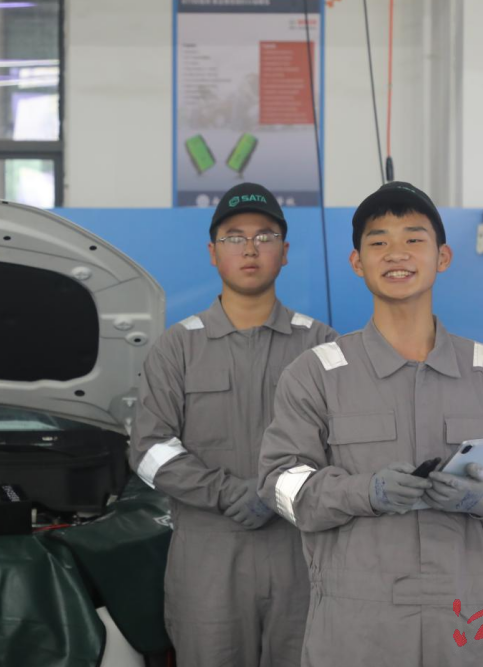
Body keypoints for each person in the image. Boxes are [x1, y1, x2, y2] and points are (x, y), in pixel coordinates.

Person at [258, 181, 483, 667]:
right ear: (357, 262)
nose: (397, 253)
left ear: (443, 257)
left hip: (466, 629)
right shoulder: (317, 373)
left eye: (414, 238)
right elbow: (281, 484)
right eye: (379, 242)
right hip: (356, 633)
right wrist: (365, 492)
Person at [129, 182, 336, 667]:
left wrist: (279, 493)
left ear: (285, 252)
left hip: (301, 553)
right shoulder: (178, 347)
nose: (250, 249)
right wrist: (226, 493)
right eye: (234, 237)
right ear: (212, 253)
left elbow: (344, 447)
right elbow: (149, 449)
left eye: (265, 237)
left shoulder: (321, 345)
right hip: (209, 560)